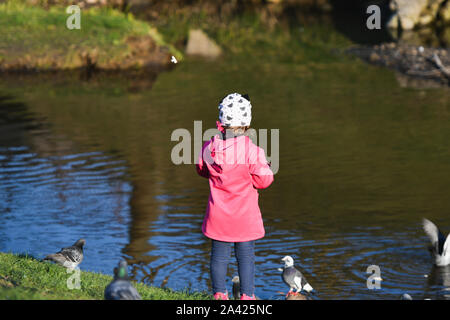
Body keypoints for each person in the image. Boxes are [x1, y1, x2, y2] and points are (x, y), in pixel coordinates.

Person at [196, 92, 274, 300]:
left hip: (218, 215)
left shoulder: (210, 147)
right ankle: (247, 297)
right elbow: (263, 181)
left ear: (221, 121)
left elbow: (201, 170)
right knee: (246, 257)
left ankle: (219, 295)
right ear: (247, 124)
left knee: (219, 257)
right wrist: (266, 167)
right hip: (244, 217)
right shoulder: (253, 151)